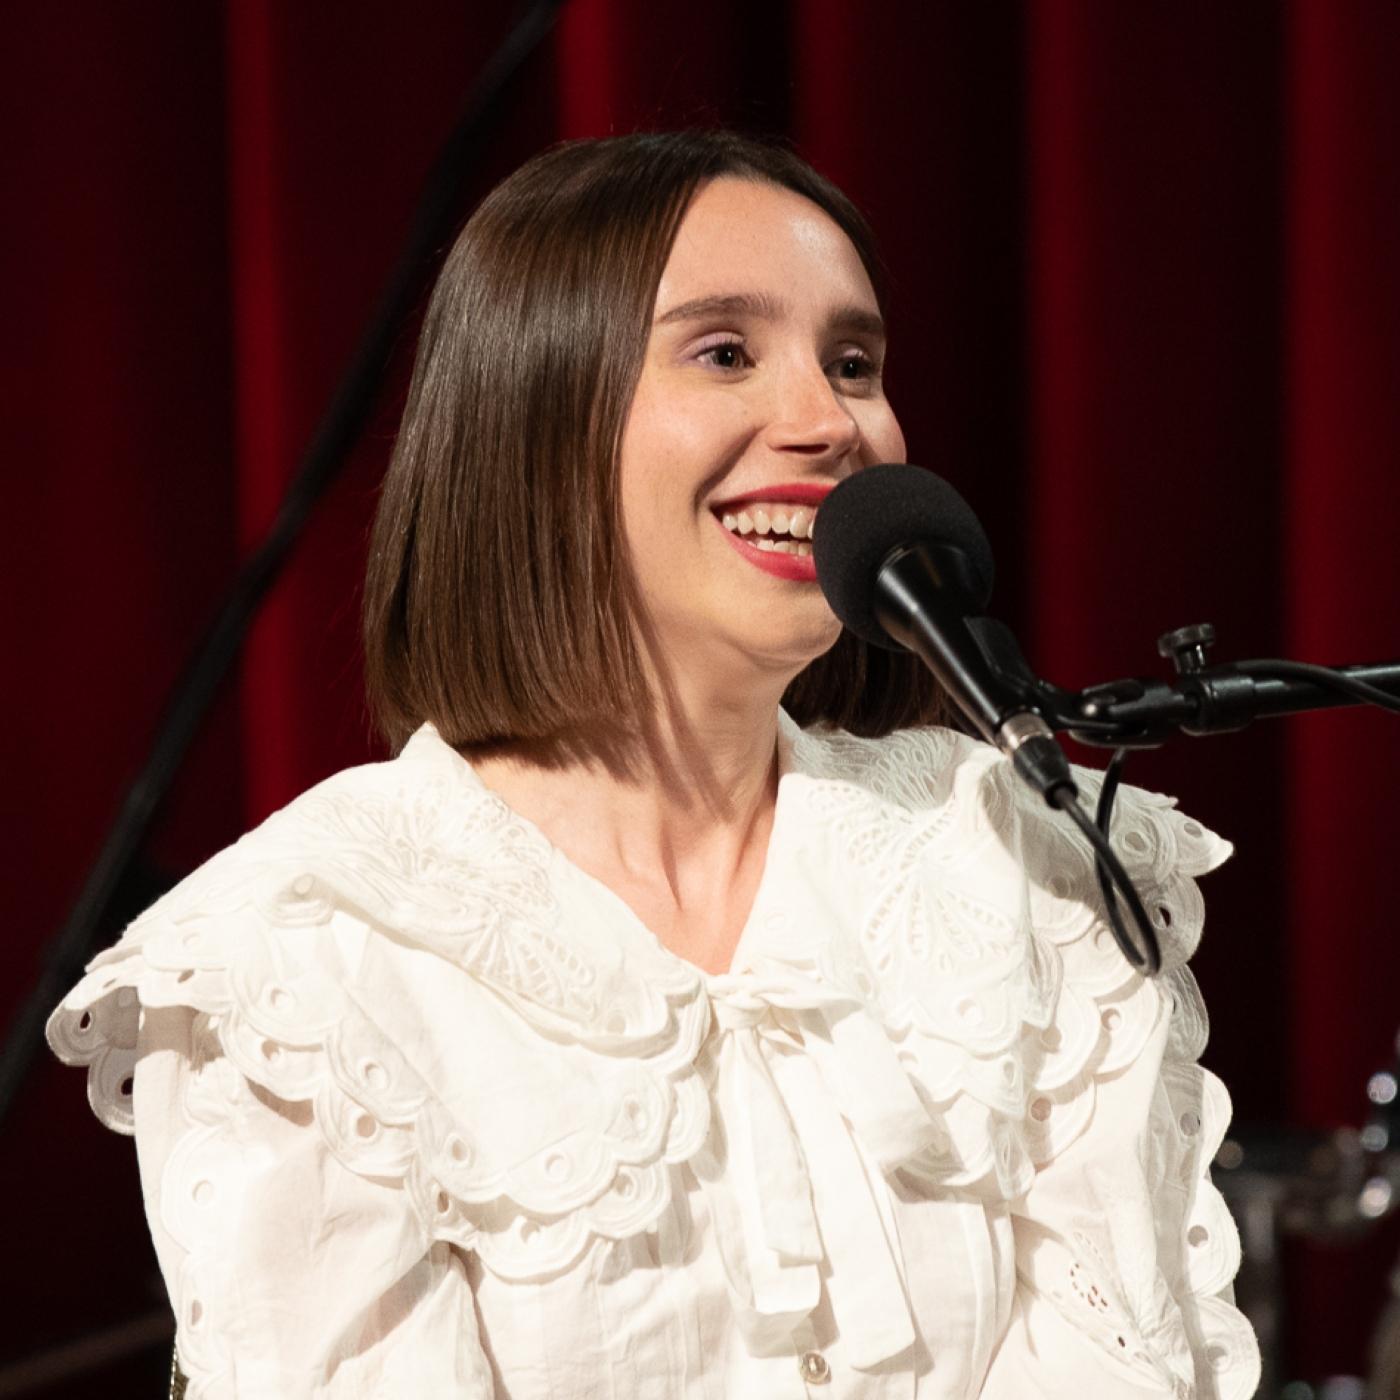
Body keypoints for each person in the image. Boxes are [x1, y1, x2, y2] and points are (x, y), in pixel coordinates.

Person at [49, 130, 1259, 1399]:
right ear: (536, 416)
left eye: (853, 362)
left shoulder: (1026, 863)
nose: (827, 421)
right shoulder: (302, 957)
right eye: (724, 351)